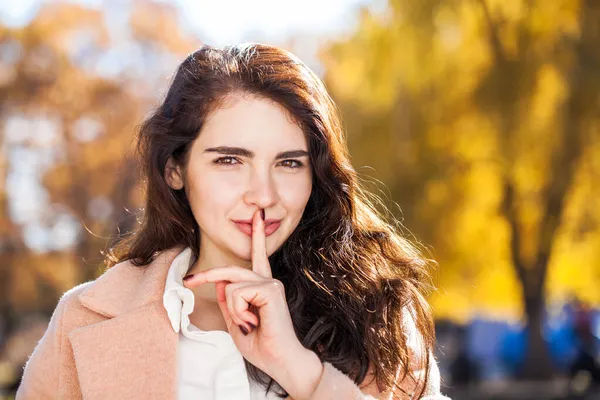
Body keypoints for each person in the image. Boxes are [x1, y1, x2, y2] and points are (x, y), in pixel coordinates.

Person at [16, 43, 450, 399]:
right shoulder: (87, 318)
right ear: (175, 169)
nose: (263, 195)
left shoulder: (377, 310)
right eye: (229, 160)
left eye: (289, 164)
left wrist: (300, 371)